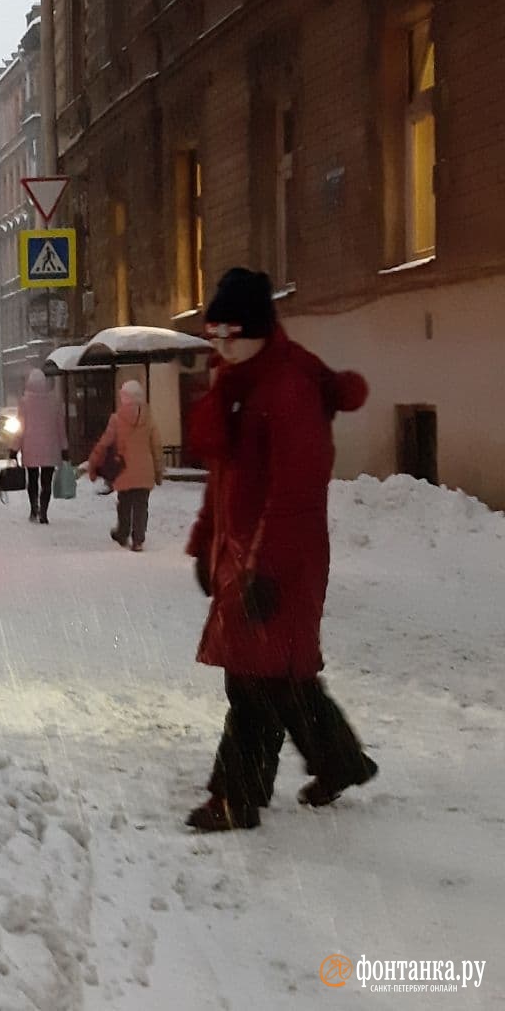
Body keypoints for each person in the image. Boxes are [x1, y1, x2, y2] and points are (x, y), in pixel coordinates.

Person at [184, 267, 378, 832]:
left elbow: (296, 491)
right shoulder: (239, 385)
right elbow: (223, 480)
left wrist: (263, 572)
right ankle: (341, 761)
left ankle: (235, 798)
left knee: (253, 682)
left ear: (258, 331)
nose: (218, 347)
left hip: (279, 563)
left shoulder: (287, 389)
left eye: (228, 335)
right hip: (243, 559)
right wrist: (205, 544)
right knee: (281, 676)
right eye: (213, 335)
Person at [86, 379, 163, 551]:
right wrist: (158, 471)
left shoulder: (116, 419)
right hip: (145, 470)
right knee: (142, 506)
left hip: (124, 469)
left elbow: (104, 444)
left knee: (125, 504)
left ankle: (123, 533)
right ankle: (138, 540)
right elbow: (156, 446)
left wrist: (93, 464)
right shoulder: (148, 419)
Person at [8, 368, 68, 524]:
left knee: (33, 480)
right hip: (51, 449)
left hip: (30, 449)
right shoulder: (55, 402)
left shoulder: (25, 402)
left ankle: (34, 508)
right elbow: (60, 427)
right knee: (46, 482)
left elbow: (20, 428)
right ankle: (44, 511)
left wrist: (14, 448)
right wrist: (64, 447)